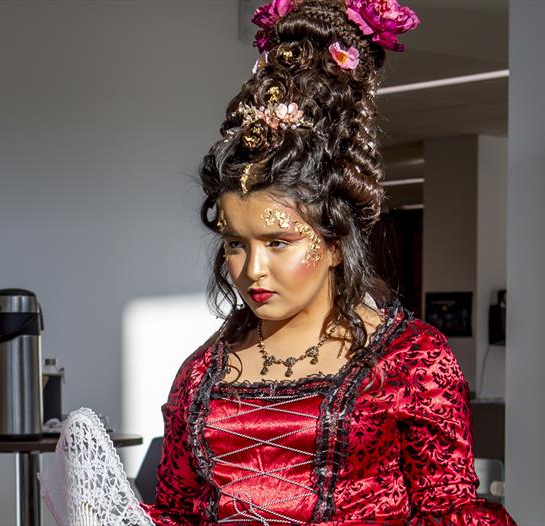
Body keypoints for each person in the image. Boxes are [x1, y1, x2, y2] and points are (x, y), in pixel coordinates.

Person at [133, 1, 517, 524]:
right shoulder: (201, 373)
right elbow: (177, 511)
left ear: (335, 241)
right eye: (235, 243)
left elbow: (450, 512)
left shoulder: (411, 362)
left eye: (278, 241)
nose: (252, 270)